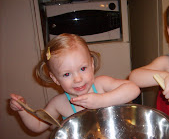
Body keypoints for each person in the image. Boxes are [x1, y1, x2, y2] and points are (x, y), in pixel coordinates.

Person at [10, 33, 140, 132]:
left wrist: (102, 100)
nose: (78, 79)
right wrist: (22, 110)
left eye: (83, 69)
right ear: (55, 78)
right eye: (67, 74)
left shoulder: (101, 85)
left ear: (92, 65)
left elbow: (133, 89)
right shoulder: (59, 104)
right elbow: (38, 126)